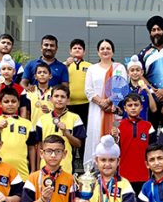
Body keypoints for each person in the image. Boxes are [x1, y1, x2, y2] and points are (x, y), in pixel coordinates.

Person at [110, 92, 156, 202]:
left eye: (136, 105)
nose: (133, 108)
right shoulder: (119, 126)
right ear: (125, 108)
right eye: (129, 105)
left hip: (144, 176)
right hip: (124, 176)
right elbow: (114, 150)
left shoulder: (148, 126)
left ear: (141, 107)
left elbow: (154, 150)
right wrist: (114, 137)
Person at [83, 39, 127, 167]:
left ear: (112, 52)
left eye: (108, 48)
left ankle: (112, 168)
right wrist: (100, 102)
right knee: (95, 136)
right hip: (96, 110)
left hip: (113, 109)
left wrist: (107, 101)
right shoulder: (92, 69)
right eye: (102, 48)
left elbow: (122, 87)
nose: (105, 51)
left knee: (113, 136)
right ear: (98, 52)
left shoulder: (119, 68)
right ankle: (94, 168)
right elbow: (88, 90)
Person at [36, 84, 86, 174]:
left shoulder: (75, 118)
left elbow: (78, 144)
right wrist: (36, 168)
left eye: (63, 97)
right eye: (56, 96)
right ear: (51, 99)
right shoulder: (42, 119)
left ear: (68, 101)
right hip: (44, 167)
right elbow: (39, 145)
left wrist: (66, 133)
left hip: (66, 167)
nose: (59, 99)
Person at [64, 39, 92, 170]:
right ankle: (70, 162)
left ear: (84, 52)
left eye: (80, 48)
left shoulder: (90, 66)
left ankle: (83, 161)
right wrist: (65, 63)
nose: (77, 50)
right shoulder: (65, 65)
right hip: (69, 105)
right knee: (70, 132)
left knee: (83, 133)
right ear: (70, 51)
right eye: (74, 48)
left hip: (86, 105)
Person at [0, 54, 29, 119]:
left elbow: (23, 109)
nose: (6, 71)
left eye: (9, 69)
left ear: (14, 71)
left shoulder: (21, 90)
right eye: (3, 69)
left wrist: (23, 123)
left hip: (14, 123)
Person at [121, 55, 157, 122]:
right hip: (126, 126)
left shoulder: (148, 89)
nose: (135, 72)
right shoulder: (123, 89)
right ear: (128, 73)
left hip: (143, 125)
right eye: (132, 70)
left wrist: (148, 92)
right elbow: (120, 111)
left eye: (137, 70)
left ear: (142, 72)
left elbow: (154, 109)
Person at [22, 63, 53, 128]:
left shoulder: (55, 93)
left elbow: (59, 110)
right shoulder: (29, 92)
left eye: (45, 72)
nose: (42, 74)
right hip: (34, 127)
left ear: (50, 76)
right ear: (35, 76)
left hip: (50, 127)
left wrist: (49, 111)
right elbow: (26, 112)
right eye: (39, 72)